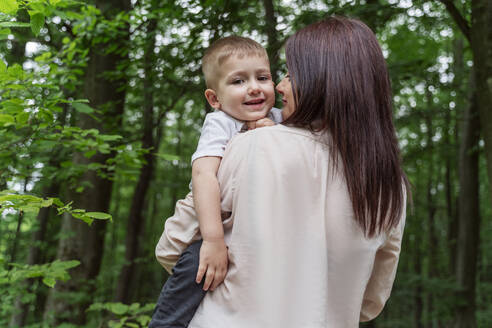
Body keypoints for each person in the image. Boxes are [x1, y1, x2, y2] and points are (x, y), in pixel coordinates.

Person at [187, 16, 410, 327]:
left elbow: (175, 245)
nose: (278, 86)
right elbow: (371, 300)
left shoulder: (251, 144)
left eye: (290, 75)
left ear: (322, 81)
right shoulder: (389, 183)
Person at [149, 36, 282, 327]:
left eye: (263, 77)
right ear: (215, 99)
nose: (254, 87)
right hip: (202, 233)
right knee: (196, 269)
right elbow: (204, 175)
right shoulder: (220, 122)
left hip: (247, 235)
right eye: (238, 81)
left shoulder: (279, 118)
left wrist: (269, 129)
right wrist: (213, 239)